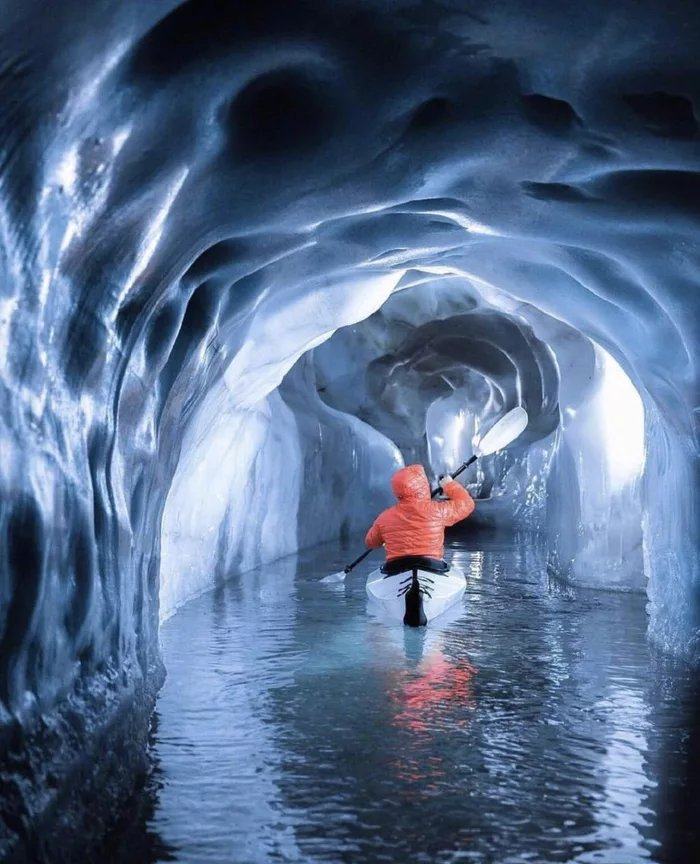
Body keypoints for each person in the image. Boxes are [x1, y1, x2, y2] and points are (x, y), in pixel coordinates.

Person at [364, 464, 475, 567]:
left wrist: (383, 538)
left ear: (396, 490)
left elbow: (370, 542)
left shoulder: (385, 518)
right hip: (431, 565)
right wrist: (449, 485)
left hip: (396, 567)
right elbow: (467, 504)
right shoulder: (438, 511)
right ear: (423, 486)